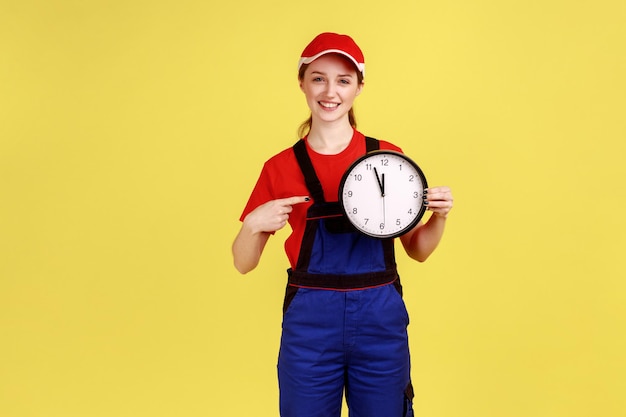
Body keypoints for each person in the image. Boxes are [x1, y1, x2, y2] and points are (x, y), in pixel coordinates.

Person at [232, 32, 453, 417]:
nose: (329, 91)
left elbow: (417, 251)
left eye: (343, 80)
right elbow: (242, 262)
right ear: (301, 82)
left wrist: (440, 216)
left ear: (359, 87)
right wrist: (252, 225)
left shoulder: (387, 158)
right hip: (310, 329)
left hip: (380, 324)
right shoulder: (279, 167)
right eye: (318, 77)